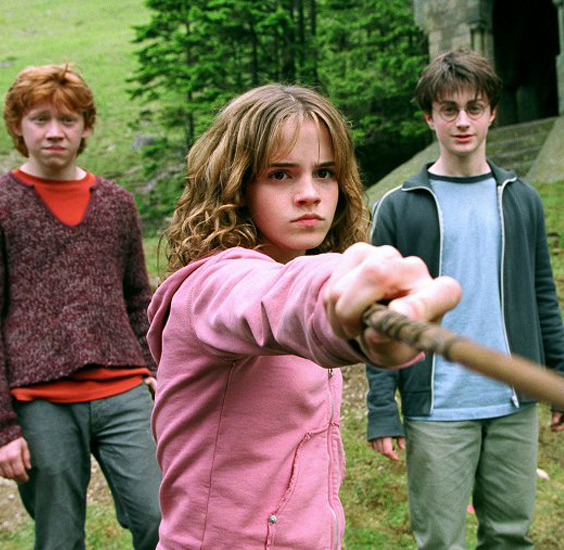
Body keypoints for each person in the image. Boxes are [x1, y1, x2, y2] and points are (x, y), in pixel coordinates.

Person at [148, 83, 461, 549]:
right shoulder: (211, 286)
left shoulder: (289, 263)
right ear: (236, 184)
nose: (310, 194)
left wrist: (377, 321)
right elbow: (276, 300)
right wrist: (338, 296)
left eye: (325, 173)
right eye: (280, 174)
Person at [364, 50, 564, 550]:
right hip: (437, 407)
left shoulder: (521, 199)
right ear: (429, 116)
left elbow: (542, 293)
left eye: (474, 108)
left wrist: (561, 376)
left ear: (491, 113)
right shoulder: (398, 206)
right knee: (441, 542)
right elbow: (376, 317)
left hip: (513, 401)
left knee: (510, 537)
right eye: (449, 109)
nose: (462, 121)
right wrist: (382, 407)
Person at [0, 64, 161, 550]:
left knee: (162, 519)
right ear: (18, 126)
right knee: (59, 539)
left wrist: (156, 367)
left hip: (124, 392)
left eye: (68, 120)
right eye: (40, 119)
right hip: (39, 402)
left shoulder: (117, 204)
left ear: (86, 127)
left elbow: (138, 297)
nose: (55, 132)